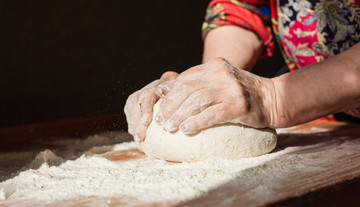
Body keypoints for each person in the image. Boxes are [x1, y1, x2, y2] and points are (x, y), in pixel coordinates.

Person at [125, 0, 360, 142]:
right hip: (318, 123)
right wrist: (207, 84)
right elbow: (244, 9)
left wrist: (274, 99)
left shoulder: (277, 99)